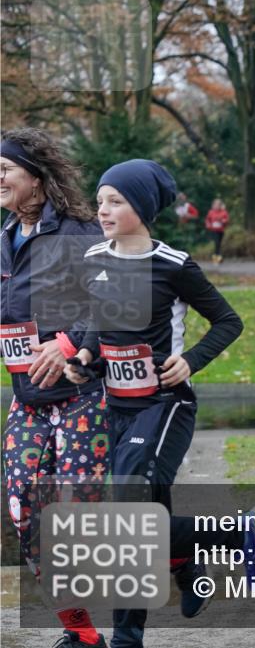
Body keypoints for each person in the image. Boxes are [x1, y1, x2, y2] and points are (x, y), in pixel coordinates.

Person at [64, 159, 255, 648]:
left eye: (116, 201)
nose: (103, 210)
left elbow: (228, 321)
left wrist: (190, 361)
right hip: (115, 405)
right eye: (100, 201)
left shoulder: (173, 265)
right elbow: (98, 320)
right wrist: (87, 355)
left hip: (164, 403)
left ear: (143, 208)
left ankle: (235, 535)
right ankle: (190, 562)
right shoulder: (94, 257)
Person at [2, 128, 109, 648]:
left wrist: (70, 342)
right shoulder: (4, 237)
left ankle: (204, 542)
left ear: (39, 181)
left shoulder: (77, 233)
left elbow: (120, 301)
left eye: (6, 168)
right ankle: (81, 632)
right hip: (29, 399)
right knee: (23, 508)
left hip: (84, 396)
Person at [204, 197, 229, 264]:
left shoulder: (223, 212)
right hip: (214, 230)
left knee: (219, 244)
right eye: (215, 205)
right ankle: (217, 258)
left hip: (221, 230)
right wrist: (208, 224)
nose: (216, 206)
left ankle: (218, 257)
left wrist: (223, 221)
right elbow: (207, 220)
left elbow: (226, 220)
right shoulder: (211, 212)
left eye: (218, 205)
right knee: (216, 243)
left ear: (220, 205)